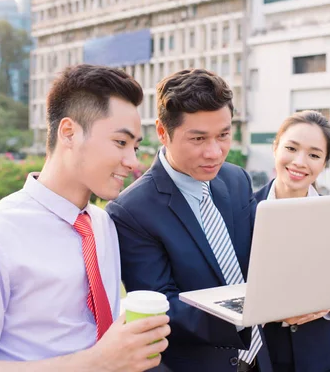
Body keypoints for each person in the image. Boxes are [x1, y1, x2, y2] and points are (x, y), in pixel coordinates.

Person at [0, 65, 171, 372]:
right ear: (69, 132)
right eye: (121, 143)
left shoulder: (102, 224)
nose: (133, 162)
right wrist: (97, 362)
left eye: (135, 146)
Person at [106, 69, 272, 372]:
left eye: (223, 135)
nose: (214, 152)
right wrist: (247, 316)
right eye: (198, 138)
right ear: (162, 131)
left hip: (263, 360)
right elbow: (163, 306)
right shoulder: (130, 212)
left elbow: (255, 260)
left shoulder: (236, 180)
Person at [254, 110, 330, 372]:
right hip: (262, 358)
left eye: (314, 155)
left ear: (324, 163)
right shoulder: (244, 210)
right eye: (291, 148)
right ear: (275, 148)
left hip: (320, 358)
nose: (300, 162)